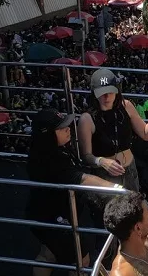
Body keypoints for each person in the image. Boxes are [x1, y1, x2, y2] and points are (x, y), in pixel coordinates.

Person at [26, 108, 120, 276]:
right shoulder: (51, 158)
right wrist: (117, 190)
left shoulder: (49, 147)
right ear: (48, 134)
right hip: (53, 216)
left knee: (48, 254)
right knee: (81, 259)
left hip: (46, 212)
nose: (68, 129)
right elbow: (82, 178)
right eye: (61, 128)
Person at [78, 68, 148, 216]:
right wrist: (101, 161)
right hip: (106, 175)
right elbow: (85, 155)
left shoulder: (126, 106)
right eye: (102, 93)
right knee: (114, 216)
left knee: (135, 212)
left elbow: (146, 135)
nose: (107, 97)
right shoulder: (86, 119)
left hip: (130, 170)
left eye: (110, 91)